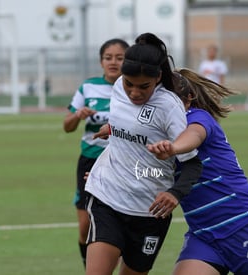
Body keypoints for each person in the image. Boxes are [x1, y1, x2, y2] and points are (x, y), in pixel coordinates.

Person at [84, 33, 203, 275]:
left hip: (150, 211)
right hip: (108, 198)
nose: (134, 92)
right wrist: (113, 129)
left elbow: (192, 164)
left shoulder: (169, 106)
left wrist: (175, 193)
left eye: (143, 87)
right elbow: (128, 122)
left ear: (158, 77)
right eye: (129, 83)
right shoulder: (118, 87)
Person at [147, 68, 248, 275]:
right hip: (203, 236)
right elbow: (152, 173)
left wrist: (174, 148)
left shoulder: (198, 117)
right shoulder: (159, 132)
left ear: (188, 99)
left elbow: (194, 136)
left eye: (172, 101)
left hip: (244, 224)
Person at [63, 38, 129, 269]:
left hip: (123, 162)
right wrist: (78, 115)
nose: (113, 62)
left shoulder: (133, 88)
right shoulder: (88, 87)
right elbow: (67, 126)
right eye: (108, 57)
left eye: (119, 57)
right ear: (101, 61)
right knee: (84, 226)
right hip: (90, 160)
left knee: (120, 221)